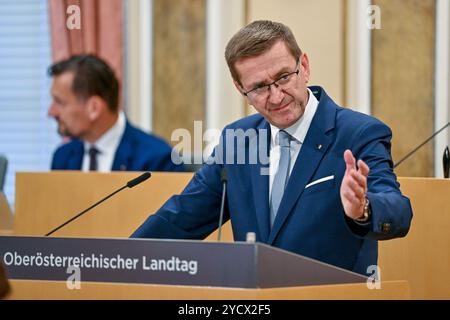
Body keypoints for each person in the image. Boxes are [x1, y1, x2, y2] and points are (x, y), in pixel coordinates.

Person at [131, 20, 413, 275]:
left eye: (283, 78)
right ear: (240, 89)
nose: (276, 96)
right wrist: (121, 259)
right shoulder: (238, 139)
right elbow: (182, 217)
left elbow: (398, 211)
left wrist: (362, 208)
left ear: (304, 66)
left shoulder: (358, 132)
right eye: (259, 87)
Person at [48, 54, 184, 172]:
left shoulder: (158, 159)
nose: (51, 112)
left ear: (94, 108)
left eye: (59, 102)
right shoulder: (62, 157)